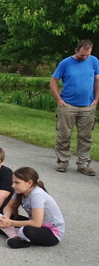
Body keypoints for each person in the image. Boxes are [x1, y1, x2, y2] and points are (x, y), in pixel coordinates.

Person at [49, 39, 99, 176]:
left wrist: (96, 99)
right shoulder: (65, 63)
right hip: (68, 105)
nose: (85, 57)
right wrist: (59, 99)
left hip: (87, 106)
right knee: (64, 135)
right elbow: (53, 81)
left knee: (85, 137)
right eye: (82, 55)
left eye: (87, 55)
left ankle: (83, 164)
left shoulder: (94, 61)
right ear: (76, 50)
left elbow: (97, 81)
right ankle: (63, 162)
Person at [0, 167, 65, 249]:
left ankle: (13, 233)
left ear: (29, 183)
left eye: (17, 183)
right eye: (13, 182)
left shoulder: (37, 195)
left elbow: (37, 223)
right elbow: (9, 206)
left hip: (51, 233)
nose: (13, 185)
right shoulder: (20, 191)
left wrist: (11, 223)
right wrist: (6, 217)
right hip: (35, 224)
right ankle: (15, 235)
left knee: (26, 230)